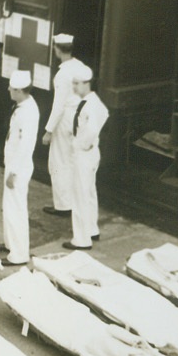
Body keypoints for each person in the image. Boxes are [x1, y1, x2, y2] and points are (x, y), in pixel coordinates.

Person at [42, 33, 86, 218]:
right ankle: (74, 200)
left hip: (66, 118)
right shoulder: (81, 67)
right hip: (80, 116)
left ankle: (62, 205)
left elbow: (58, 106)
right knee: (73, 159)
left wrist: (48, 130)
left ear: (57, 50)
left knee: (59, 161)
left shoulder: (62, 74)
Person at [0, 69, 40, 267]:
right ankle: (10, 244)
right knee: (9, 206)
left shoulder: (29, 113)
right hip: (14, 164)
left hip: (19, 167)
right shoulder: (23, 106)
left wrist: (14, 172)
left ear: (20, 90)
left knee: (16, 208)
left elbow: (26, 146)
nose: (8, 89)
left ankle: (19, 254)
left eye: (12, 88)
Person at [66, 66, 108, 250]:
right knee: (89, 192)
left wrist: (81, 144)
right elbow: (104, 114)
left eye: (76, 84)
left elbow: (91, 129)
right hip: (90, 153)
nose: (73, 87)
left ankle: (81, 239)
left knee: (80, 196)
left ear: (86, 83)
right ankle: (91, 229)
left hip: (84, 154)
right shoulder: (92, 101)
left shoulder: (90, 104)